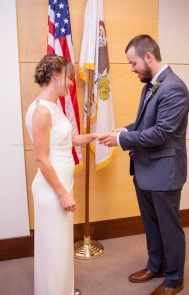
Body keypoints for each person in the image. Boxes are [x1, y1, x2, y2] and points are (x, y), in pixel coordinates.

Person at [99, 35, 189, 295]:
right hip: (145, 169)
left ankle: (174, 279)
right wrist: (124, 130)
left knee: (169, 228)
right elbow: (144, 125)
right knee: (151, 224)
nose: (132, 69)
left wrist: (122, 139)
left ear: (148, 56)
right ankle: (156, 266)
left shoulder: (174, 87)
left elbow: (162, 133)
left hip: (165, 173)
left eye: (133, 62)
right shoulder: (149, 85)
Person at [26, 54, 97, 295]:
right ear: (56, 75)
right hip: (53, 191)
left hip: (60, 187)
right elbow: (42, 158)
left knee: (60, 246)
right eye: (69, 78)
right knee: (54, 248)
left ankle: (63, 290)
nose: (70, 83)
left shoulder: (53, 107)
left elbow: (68, 139)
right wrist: (63, 194)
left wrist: (94, 138)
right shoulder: (41, 112)